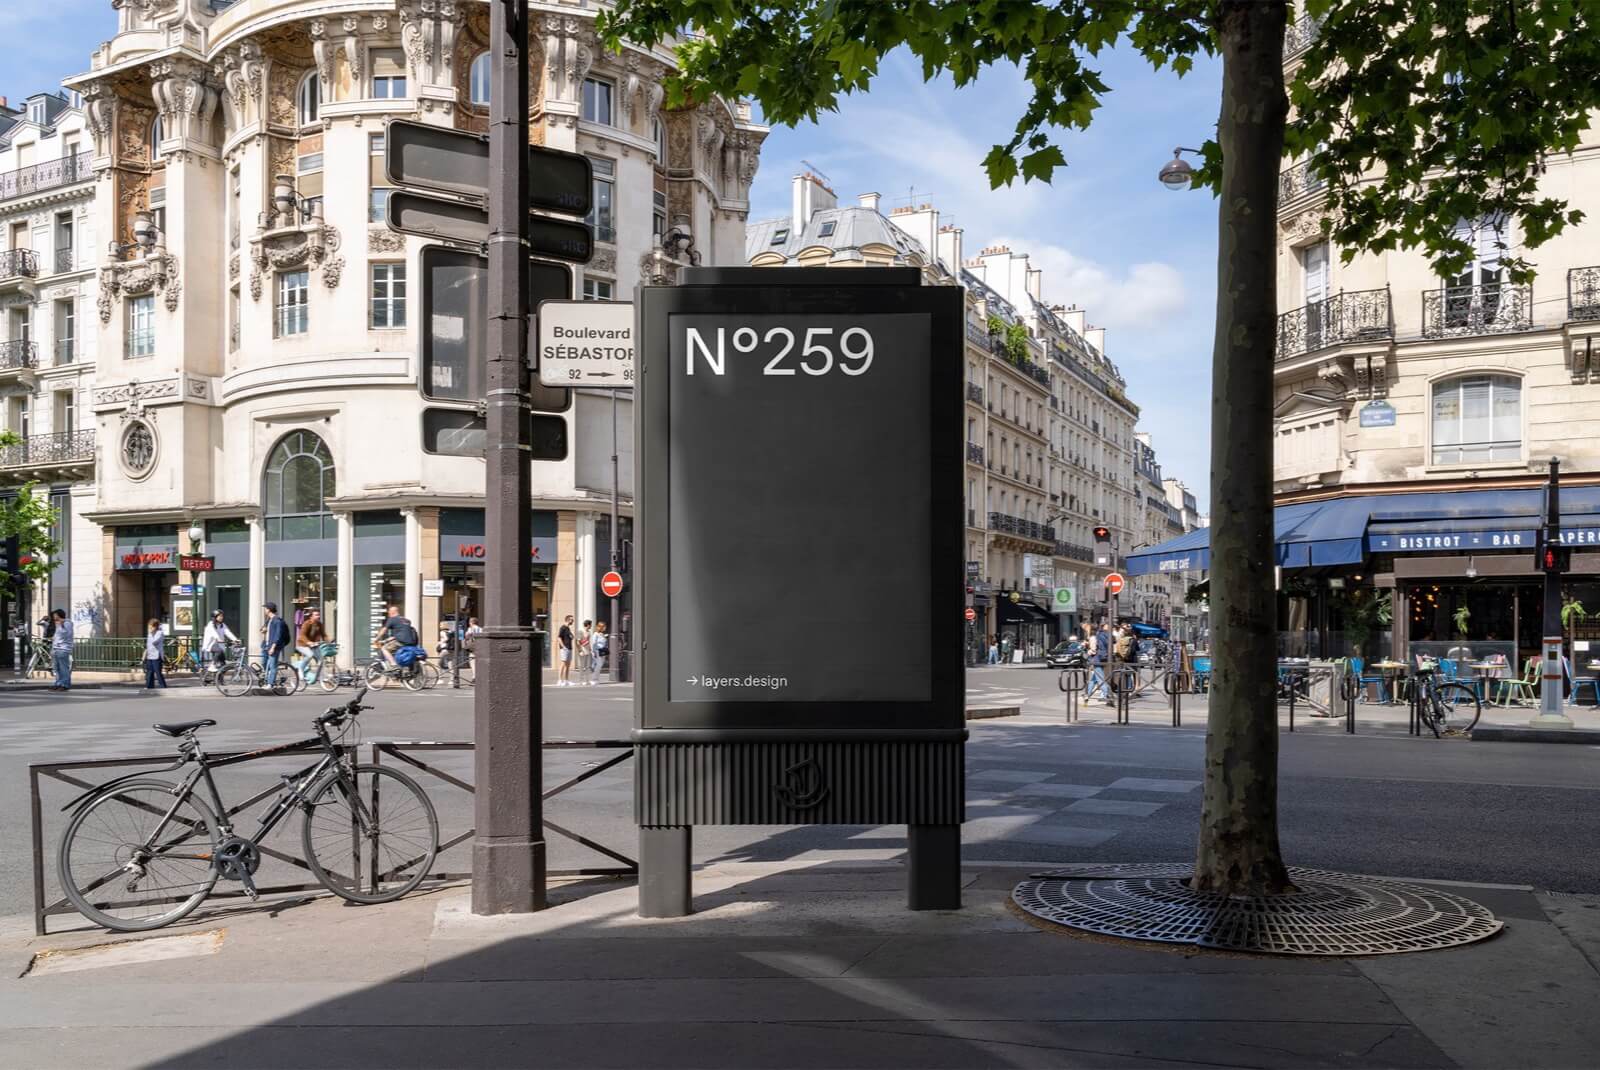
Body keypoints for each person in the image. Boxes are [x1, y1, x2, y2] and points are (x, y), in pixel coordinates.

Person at [261, 602, 292, 692]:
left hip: (274, 646)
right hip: (266, 645)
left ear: (269, 609)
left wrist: (273, 647)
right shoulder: (269, 620)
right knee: (264, 663)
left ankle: (270, 684)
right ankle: (270, 679)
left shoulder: (277, 621)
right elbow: (265, 631)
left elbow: (277, 636)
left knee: (273, 665)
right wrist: (263, 631)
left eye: (265, 608)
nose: (264, 610)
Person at [48, 609, 72, 691]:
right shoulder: (58, 624)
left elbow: (66, 634)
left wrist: (61, 625)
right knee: (56, 668)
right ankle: (58, 683)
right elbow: (57, 636)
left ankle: (65, 685)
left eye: (55, 615)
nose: (54, 617)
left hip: (63, 649)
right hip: (56, 648)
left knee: (63, 668)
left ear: (59, 615)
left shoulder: (67, 623)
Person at [1088, 621, 1111, 702]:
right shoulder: (1106, 635)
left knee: (1099, 678)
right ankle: (1088, 693)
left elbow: (1094, 650)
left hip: (1097, 658)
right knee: (1095, 678)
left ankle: (1106, 694)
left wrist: (1088, 651)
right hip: (1105, 658)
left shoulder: (1097, 636)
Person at [143, 618, 169, 690]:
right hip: (150, 655)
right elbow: (148, 645)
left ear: (155, 627)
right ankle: (149, 686)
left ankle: (163, 686)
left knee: (158, 672)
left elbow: (155, 642)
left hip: (157, 656)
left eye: (151, 627)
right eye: (149, 627)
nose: (149, 628)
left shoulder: (160, 633)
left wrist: (151, 633)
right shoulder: (150, 634)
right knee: (149, 672)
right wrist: (145, 655)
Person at [589, 621, 609, 685]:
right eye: (604, 626)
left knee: (600, 665)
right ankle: (593, 679)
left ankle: (596, 678)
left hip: (603, 650)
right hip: (597, 651)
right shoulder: (595, 634)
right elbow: (593, 643)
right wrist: (593, 651)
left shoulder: (602, 634)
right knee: (598, 665)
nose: (605, 628)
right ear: (600, 627)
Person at [556, 615, 575, 685]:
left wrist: (572, 636)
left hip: (569, 648)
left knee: (568, 665)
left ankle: (566, 680)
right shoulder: (563, 627)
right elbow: (559, 637)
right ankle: (560, 680)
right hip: (565, 648)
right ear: (568, 620)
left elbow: (571, 637)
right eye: (572, 620)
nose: (573, 621)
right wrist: (563, 647)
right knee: (563, 664)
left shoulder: (568, 628)